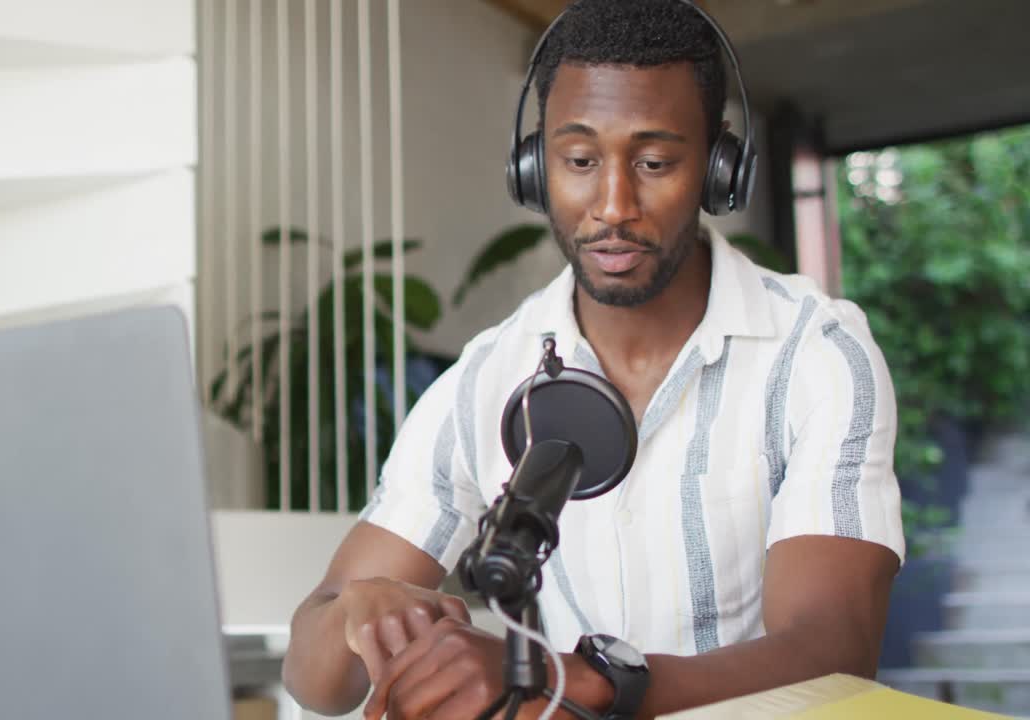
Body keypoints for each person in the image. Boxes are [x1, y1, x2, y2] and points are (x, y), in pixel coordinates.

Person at [281, 1, 904, 718]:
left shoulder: (815, 354)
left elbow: (834, 648)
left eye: (654, 163)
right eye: (579, 161)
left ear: (719, 169)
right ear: (532, 168)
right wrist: (359, 612)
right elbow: (316, 681)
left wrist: (580, 679)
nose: (612, 205)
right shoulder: (489, 377)